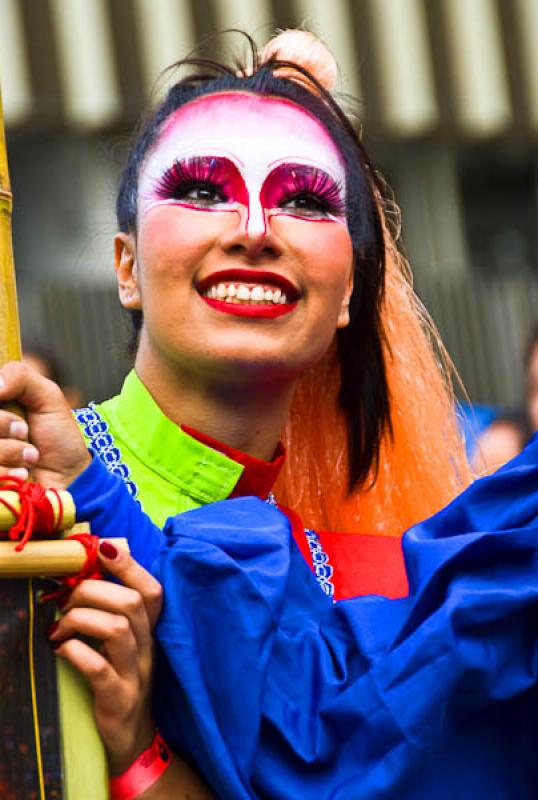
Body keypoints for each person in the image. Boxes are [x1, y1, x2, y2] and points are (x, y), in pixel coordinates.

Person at [3, 29, 530, 799]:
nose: (254, 229)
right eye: (203, 190)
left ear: (350, 293)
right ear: (126, 268)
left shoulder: (387, 577)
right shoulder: (25, 498)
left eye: (307, 200)